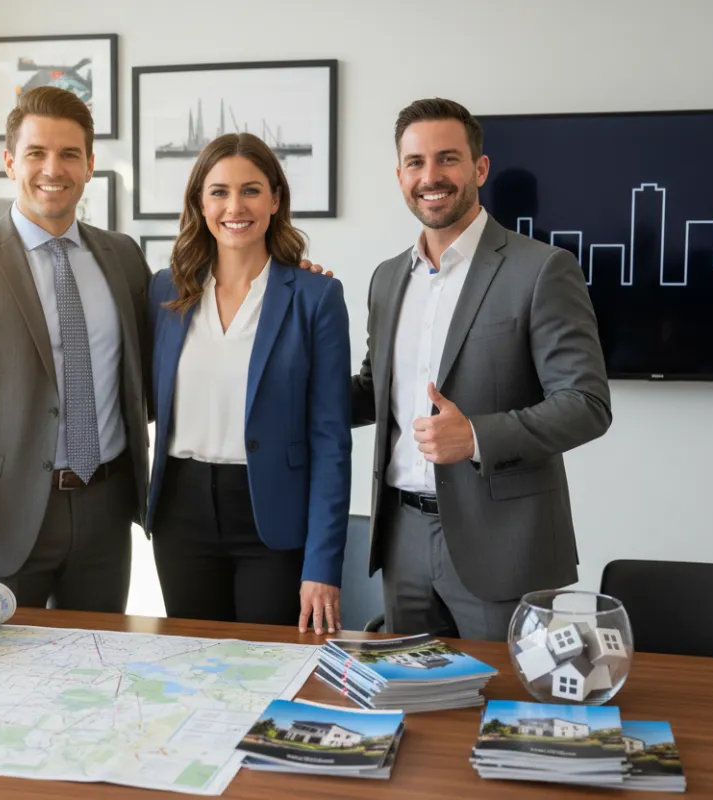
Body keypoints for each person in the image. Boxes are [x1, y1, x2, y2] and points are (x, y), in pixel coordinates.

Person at [351, 98, 612, 641]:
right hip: (401, 539)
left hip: (506, 545)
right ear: (399, 175)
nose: (431, 177)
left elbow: (586, 405)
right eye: (416, 163)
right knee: (417, 710)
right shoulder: (386, 278)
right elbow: (373, 392)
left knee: (507, 713)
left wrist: (473, 436)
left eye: (447, 159)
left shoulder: (541, 269)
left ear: (479, 168)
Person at [0, 86, 152, 608]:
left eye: (68, 154)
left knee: (97, 673)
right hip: (1, 517)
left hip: (105, 513)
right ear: (11, 162)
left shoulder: (123, 257)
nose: (52, 169)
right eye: (36, 153)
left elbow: (161, 358)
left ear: (89, 166)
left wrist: (286, 268)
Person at [147, 133, 352, 634]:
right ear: (200, 201)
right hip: (181, 516)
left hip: (273, 520)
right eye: (218, 191)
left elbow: (331, 441)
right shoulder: (164, 290)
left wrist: (322, 567)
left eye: (251, 190)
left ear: (276, 199)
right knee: (192, 667)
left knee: (268, 671)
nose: (234, 206)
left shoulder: (316, 296)